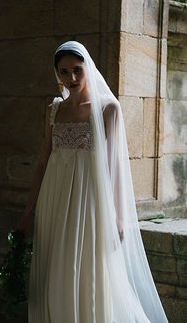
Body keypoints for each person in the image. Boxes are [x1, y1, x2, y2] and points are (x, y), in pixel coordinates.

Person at [17, 41, 168, 323]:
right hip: (54, 198)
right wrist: (28, 211)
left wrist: (119, 218)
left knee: (84, 269)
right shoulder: (54, 109)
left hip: (89, 201)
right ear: (57, 75)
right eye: (64, 72)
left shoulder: (108, 108)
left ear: (88, 68)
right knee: (54, 270)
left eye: (77, 70)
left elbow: (115, 168)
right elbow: (41, 162)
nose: (71, 78)